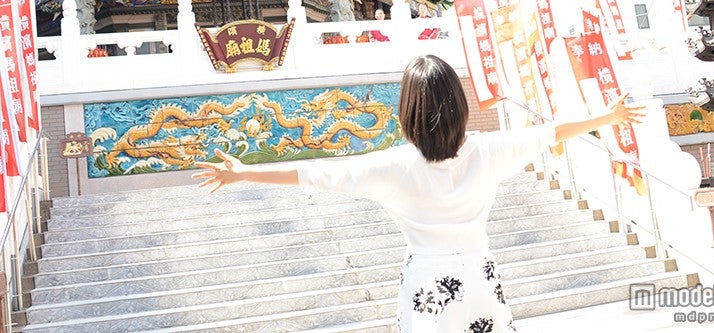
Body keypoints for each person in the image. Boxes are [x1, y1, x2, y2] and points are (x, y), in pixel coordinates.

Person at [193, 54, 645, 332]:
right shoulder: (490, 151)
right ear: (460, 105)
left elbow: (314, 174)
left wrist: (245, 173)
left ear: (407, 111)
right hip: (481, 278)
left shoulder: (392, 167)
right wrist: (607, 118)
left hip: (427, 286)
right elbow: (552, 132)